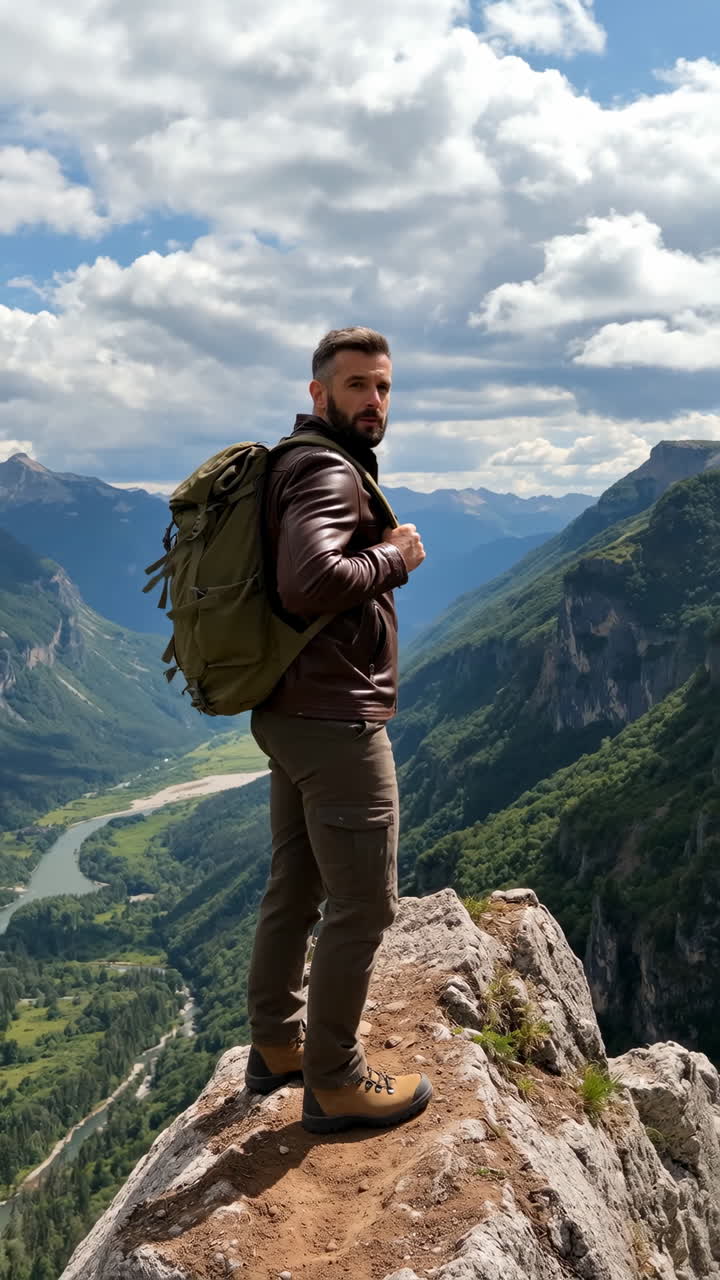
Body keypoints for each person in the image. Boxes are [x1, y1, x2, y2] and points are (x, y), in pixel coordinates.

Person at [244, 326, 432, 1134]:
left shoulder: (290, 463)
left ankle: (280, 1044)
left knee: (296, 884)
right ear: (319, 394)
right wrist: (396, 555)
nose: (374, 401)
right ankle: (337, 1080)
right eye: (357, 386)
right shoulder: (327, 470)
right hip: (335, 719)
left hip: (289, 709)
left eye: (384, 387)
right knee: (364, 905)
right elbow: (313, 579)